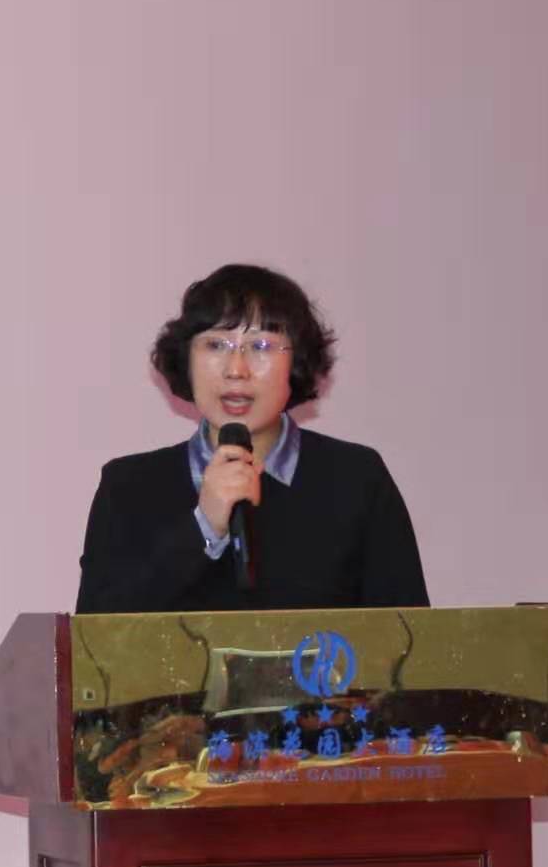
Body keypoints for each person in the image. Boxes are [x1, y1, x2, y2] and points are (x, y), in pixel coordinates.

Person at [74, 263, 429, 614]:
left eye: (261, 345)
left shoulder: (356, 479)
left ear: (298, 361)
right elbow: (94, 635)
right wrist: (203, 526)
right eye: (216, 345)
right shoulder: (129, 487)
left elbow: (410, 637)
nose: (236, 370)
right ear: (187, 359)